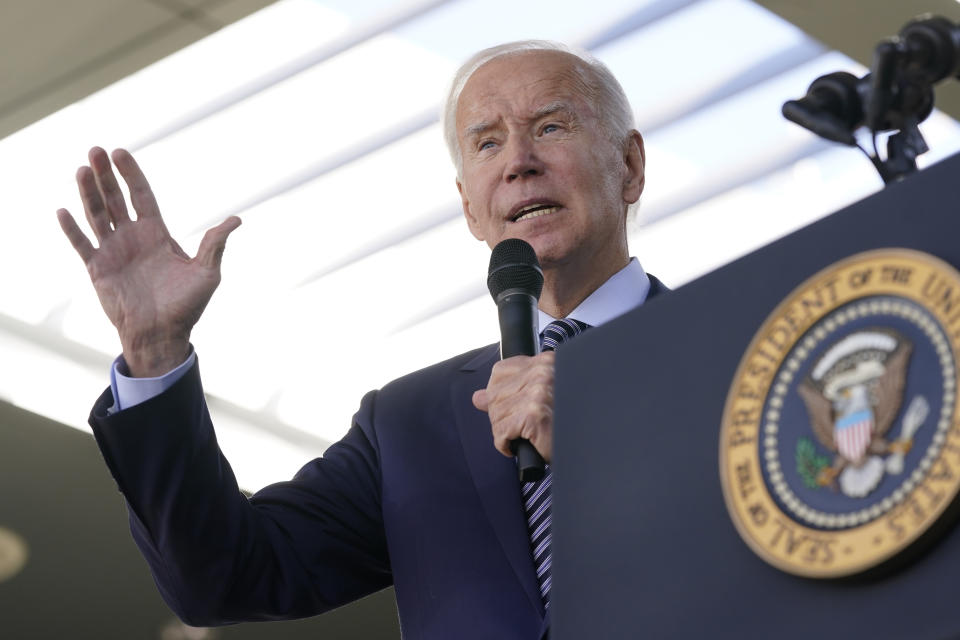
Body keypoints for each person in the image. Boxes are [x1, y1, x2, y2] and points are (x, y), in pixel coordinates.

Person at [56, 41, 664, 639]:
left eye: (551, 127)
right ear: (470, 208)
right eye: (486, 142)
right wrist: (155, 351)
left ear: (629, 166)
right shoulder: (406, 423)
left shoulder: (738, 344)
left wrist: (596, 438)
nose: (518, 161)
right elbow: (227, 576)